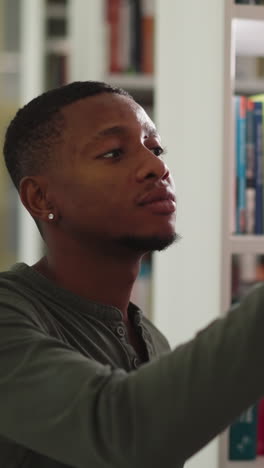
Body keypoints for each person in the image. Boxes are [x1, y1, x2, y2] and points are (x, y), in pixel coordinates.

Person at [0, 81, 264, 468]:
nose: (157, 167)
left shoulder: (152, 341)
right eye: (113, 153)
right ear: (41, 198)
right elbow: (122, 430)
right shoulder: (10, 315)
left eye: (155, 149)